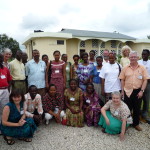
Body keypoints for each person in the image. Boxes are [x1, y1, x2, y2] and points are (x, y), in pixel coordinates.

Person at [119, 51, 148, 131]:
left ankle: (136, 124)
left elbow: (145, 80)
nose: (133, 58)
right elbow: (122, 80)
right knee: (127, 108)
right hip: (127, 90)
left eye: (134, 57)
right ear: (129, 58)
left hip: (138, 91)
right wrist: (122, 91)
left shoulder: (142, 68)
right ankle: (127, 124)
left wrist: (142, 91)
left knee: (137, 108)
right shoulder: (125, 68)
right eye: (131, 57)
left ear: (138, 58)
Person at [0, 53, 12, 135]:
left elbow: (9, 79)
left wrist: (8, 89)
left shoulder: (5, 68)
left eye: (1, 58)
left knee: (4, 109)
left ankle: (3, 126)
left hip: (5, 91)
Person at [138, 49, 150, 123]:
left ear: (148, 55)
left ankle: (145, 113)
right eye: (142, 54)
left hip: (148, 83)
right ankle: (138, 113)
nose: (143, 56)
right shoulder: (139, 62)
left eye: (145, 54)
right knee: (138, 98)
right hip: (139, 83)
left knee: (146, 99)